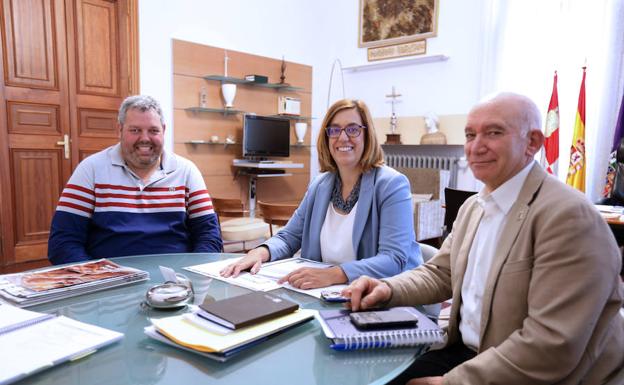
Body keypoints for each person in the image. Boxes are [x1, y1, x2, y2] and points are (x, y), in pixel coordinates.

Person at [343, 92, 624, 385]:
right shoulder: (474, 207)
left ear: (533, 143)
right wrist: (386, 289)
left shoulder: (569, 217)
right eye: (470, 134)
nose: (476, 147)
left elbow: (551, 344)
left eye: (494, 132)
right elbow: (441, 273)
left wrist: (451, 383)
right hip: (469, 352)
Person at [221, 99, 422, 289]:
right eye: (334, 130)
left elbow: (393, 259)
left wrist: (333, 275)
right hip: (327, 293)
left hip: (385, 298)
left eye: (352, 129)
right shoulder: (320, 185)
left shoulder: (391, 185)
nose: (343, 137)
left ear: (367, 135)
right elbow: (289, 237)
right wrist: (260, 252)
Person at [48, 95, 222, 265]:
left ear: (164, 130)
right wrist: (95, 279)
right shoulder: (91, 169)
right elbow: (63, 242)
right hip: (110, 285)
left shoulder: (186, 171)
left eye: (153, 130)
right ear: (120, 130)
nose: (145, 138)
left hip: (175, 284)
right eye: (135, 130)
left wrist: (192, 277)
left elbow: (209, 236)